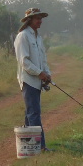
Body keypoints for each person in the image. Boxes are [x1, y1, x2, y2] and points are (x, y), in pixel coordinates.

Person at [15, 8, 52, 151]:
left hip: (37, 80)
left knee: (30, 112)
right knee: (34, 113)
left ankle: (28, 146)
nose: (40, 21)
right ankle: (40, 147)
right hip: (28, 80)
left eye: (41, 18)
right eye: (37, 18)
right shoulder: (23, 36)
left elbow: (43, 58)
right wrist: (39, 73)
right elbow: (24, 62)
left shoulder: (38, 37)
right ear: (29, 20)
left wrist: (47, 73)